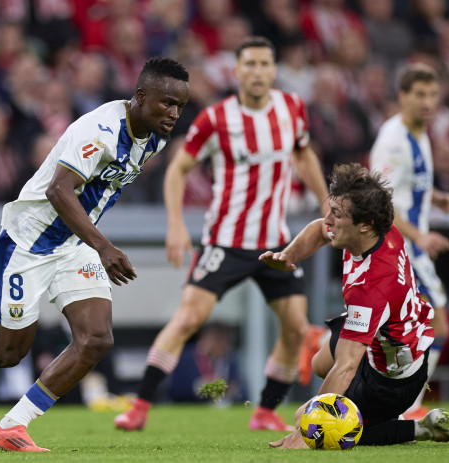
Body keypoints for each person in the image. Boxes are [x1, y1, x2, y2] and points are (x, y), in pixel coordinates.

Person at [0, 57, 190, 452]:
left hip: (74, 246)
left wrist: (92, 243)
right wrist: (104, 246)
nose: (173, 113)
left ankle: (12, 425)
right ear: (140, 96)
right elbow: (58, 191)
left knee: (97, 339)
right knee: (11, 351)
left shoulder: (156, 138)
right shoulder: (99, 129)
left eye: (180, 106)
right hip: (27, 243)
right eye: (166, 102)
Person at [115, 36, 330, 432]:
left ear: (273, 69)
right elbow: (178, 169)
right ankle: (140, 406)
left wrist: (325, 201)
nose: (258, 71)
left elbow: (302, 153)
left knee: (296, 326)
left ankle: (265, 411)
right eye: (249, 64)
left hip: (274, 243)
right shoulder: (216, 119)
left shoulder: (292, 108)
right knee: (187, 319)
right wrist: (176, 225)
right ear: (237, 71)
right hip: (225, 241)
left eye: (265, 64)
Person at [261, 163, 449, 448]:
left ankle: (422, 428)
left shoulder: (371, 288)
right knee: (318, 364)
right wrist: (287, 255)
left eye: (336, 214)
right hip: (389, 334)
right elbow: (318, 230)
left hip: (393, 381)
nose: (327, 218)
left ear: (364, 225)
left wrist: (306, 431)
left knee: (326, 429)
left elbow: (347, 365)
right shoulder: (376, 232)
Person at [369, 63, 449, 420]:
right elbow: (382, 200)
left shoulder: (419, 132)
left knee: (408, 330)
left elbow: (407, 184)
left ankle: (402, 403)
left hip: (411, 245)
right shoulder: (393, 140)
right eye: (419, 94)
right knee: (434, 325)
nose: (427, 102)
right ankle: (408, 405)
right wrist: (419, 234)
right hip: (400, 245)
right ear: (402, 96)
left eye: (433, 95)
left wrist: (436, 197)